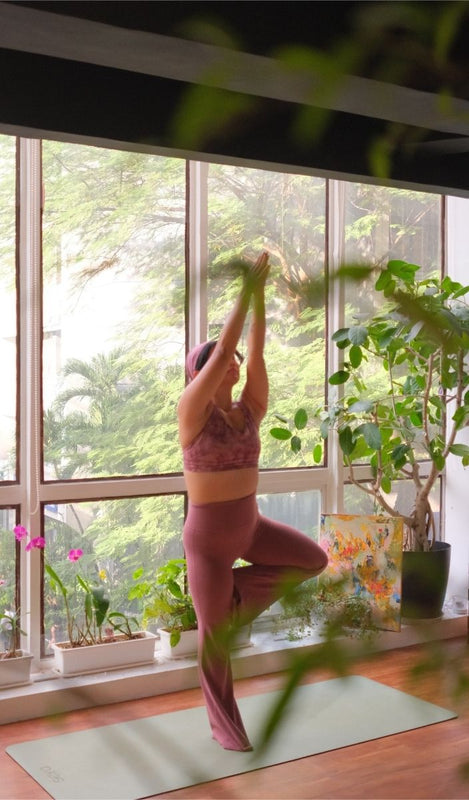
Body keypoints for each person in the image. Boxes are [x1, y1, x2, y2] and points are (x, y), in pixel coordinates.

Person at [178, 250, 328, 752]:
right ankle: (228, 730)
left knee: (313, 559)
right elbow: (223, 351)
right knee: (215, 643)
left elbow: (255, 354)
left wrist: (261, 299)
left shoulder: (250, 411)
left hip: (252, 529)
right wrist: (245, 291)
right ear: (202, 374)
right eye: (226, 364)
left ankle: (228, 605)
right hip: (209, 546)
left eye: (237, 364)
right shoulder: (192, 413)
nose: (236, 366)